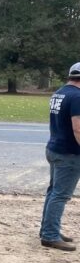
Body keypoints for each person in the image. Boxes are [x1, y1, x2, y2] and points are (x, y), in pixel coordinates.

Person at [39, 62, 80, 251]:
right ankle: (50, 235)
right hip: (69, 153)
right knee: (60, 195)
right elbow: (78, 128)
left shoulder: (60, 93)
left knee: (53, 191)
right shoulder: (78, 97)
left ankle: (48, 229)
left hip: (54, 147)